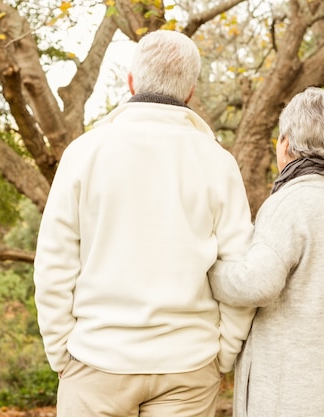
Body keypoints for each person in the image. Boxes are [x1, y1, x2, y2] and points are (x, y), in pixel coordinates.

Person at [33, 29, 255, 417]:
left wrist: (61, 353)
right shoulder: (218, 161)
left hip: (96, 359)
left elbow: (54, 264)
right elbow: (240, 271)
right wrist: (224, 354)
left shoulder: (85, 152)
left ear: (131, 81)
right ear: (190, 91)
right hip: (188, 363)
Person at [208, 87, 324, 417]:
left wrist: (208, 270)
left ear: (285, 143)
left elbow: (257, 283)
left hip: (290, 394)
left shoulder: (290, 202)